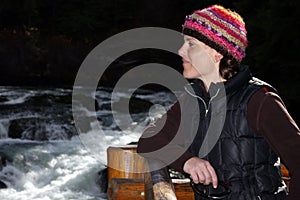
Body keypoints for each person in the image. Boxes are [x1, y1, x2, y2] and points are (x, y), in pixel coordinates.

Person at [137, 4, 300, 200]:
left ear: (217, 52)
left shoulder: (259, 100)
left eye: (191, 44)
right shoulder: (192, 98)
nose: (181, 51)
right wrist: (188, 161)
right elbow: (149, 140)